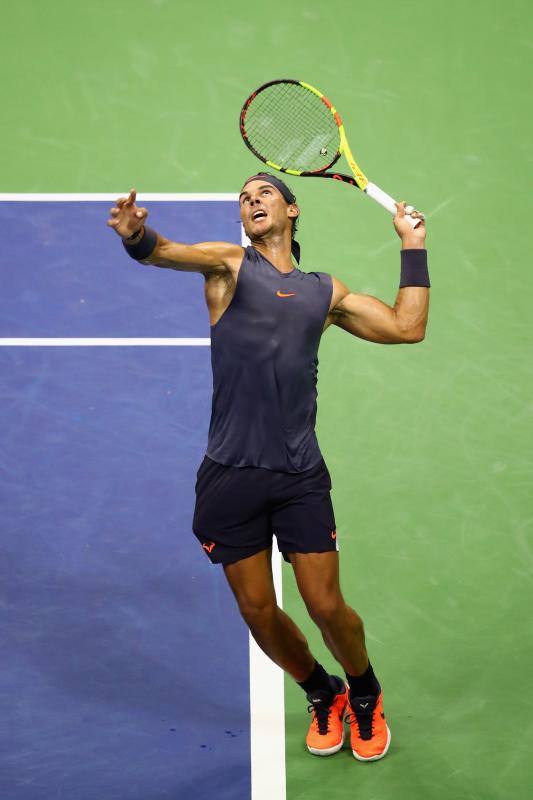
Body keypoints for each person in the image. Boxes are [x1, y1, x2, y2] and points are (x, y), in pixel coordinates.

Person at [107, 174, 429, 762]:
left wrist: (412, 244)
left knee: (326, 605)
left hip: (298, 473)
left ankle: (364, 693)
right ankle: (320, 691)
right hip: (229, 474)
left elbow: (408, 327)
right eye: (244, 197)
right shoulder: (229, 267)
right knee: (257, 611)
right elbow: (164, 252)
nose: (251, 200)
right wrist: (135, 235)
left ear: (292, 209)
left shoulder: (324, 292)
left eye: (264, 193)